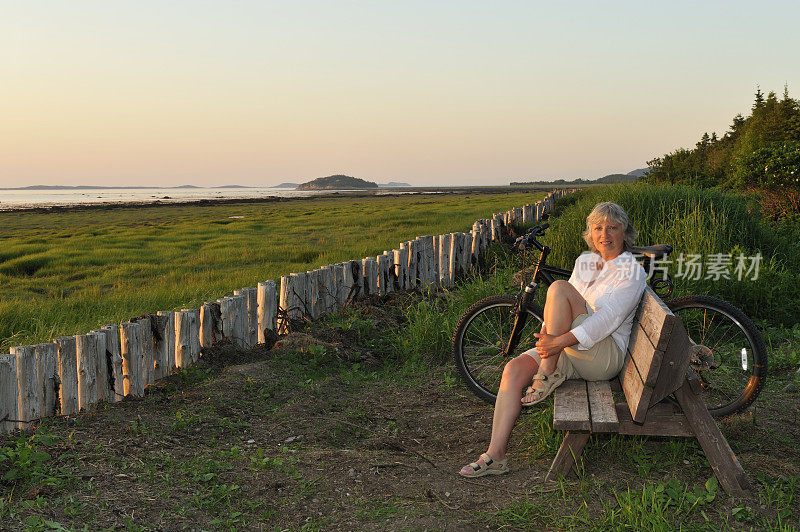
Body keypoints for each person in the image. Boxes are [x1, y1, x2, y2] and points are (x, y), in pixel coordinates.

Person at [460, 202, 646, 478]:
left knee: (559, 287)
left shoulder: (631, 270)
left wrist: (555, 345)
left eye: (612, 228)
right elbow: (556, 309)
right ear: (590, 233)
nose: (604, 234)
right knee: (513, 369)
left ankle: (546, 372)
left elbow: (608, 320)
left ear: (625, 232)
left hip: (603, 355)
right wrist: (546, 339)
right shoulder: (585, 262)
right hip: (573, 350)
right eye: (598, 228)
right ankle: (495, 455)